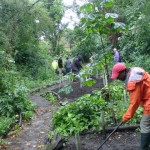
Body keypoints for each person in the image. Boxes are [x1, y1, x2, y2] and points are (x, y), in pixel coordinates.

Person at [111, 63, 150, 150]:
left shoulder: (134, 80)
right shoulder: (133, 72)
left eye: (117, 76)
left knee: (144, 124)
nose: (117, 78)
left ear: (123, 72)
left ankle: (144, 148)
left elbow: (135, 102)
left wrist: (126, 116)